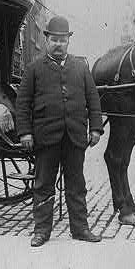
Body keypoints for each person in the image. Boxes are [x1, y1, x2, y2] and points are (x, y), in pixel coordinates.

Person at [16, 15, 104, 247]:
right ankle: (42, 231)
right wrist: (25, 133)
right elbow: (22, 103)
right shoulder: (34, 69)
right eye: (54, 39)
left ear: (68, 42)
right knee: (43, 184)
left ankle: (81, 229)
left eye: (62, 40)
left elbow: (93, 99)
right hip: (46, 137)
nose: (58, 44)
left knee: (77, 185)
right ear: (47, 40)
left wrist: (95, 128)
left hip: (75, 136)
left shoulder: (80, 67)